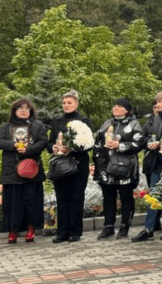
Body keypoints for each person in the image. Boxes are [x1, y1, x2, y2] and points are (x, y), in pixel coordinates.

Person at [93, 98, 144, 240]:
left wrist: (119, 145)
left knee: (126, 197)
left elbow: (139, 144)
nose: (115, 108)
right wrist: (96, 160)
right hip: (106, 167)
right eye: (114, 106)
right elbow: (97, 142)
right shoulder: (106, 123)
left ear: (127, 110)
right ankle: (108, 227)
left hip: (125, 168)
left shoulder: (133, 124)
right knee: (108, 198)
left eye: (119, 106)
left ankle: (124, 226)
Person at [133, 90, 162, 242]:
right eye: (157, 102)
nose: (157, 105)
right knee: (154, 195)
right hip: (156, 162)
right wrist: (148, 143)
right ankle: (149, 228)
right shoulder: (154, 119)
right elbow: (143, 137)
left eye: (160, 101)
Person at [48, 90, 93, 243]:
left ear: (77, 104)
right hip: (61, 165)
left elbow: (89, 144)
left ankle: (75, 232)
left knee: (76, 198)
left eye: (70, 102)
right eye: (64, 103)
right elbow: (49, 142)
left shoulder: (84, 121)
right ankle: (62, 232)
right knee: (62, 198)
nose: (66, 105)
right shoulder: (57, 121)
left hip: (78, 164)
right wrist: (53, 147)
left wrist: (73, 148)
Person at [1, 98, 48, 243]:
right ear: (14, 111)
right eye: (20, 108)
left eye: (26, 108)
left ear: (31, 111)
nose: (23, 110)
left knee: (32, 201)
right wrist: (14, 145)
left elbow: (43, 141)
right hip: (11, 170)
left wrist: (28, 149)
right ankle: (12, 231)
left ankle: (31, 228)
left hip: (31, 168)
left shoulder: (37, 125)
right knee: (12, 202)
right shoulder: (6, 126)